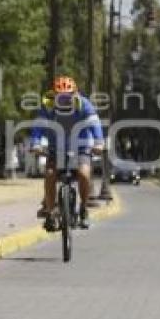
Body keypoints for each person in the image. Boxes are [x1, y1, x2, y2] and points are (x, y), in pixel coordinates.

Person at [30, 76, 104, 231]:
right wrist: (35, 143)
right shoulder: (48, 106)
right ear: (54, 95)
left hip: (81, 148)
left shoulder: (84, 105)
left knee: (84, 174)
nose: (64, 100)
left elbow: (95, 124)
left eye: (67, 96)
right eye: (60, 96)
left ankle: (83, 209)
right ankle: (50, 213)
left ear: (75, 95)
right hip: (56, 149)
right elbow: (38, 126)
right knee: (50, 174)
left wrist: (98, 143)